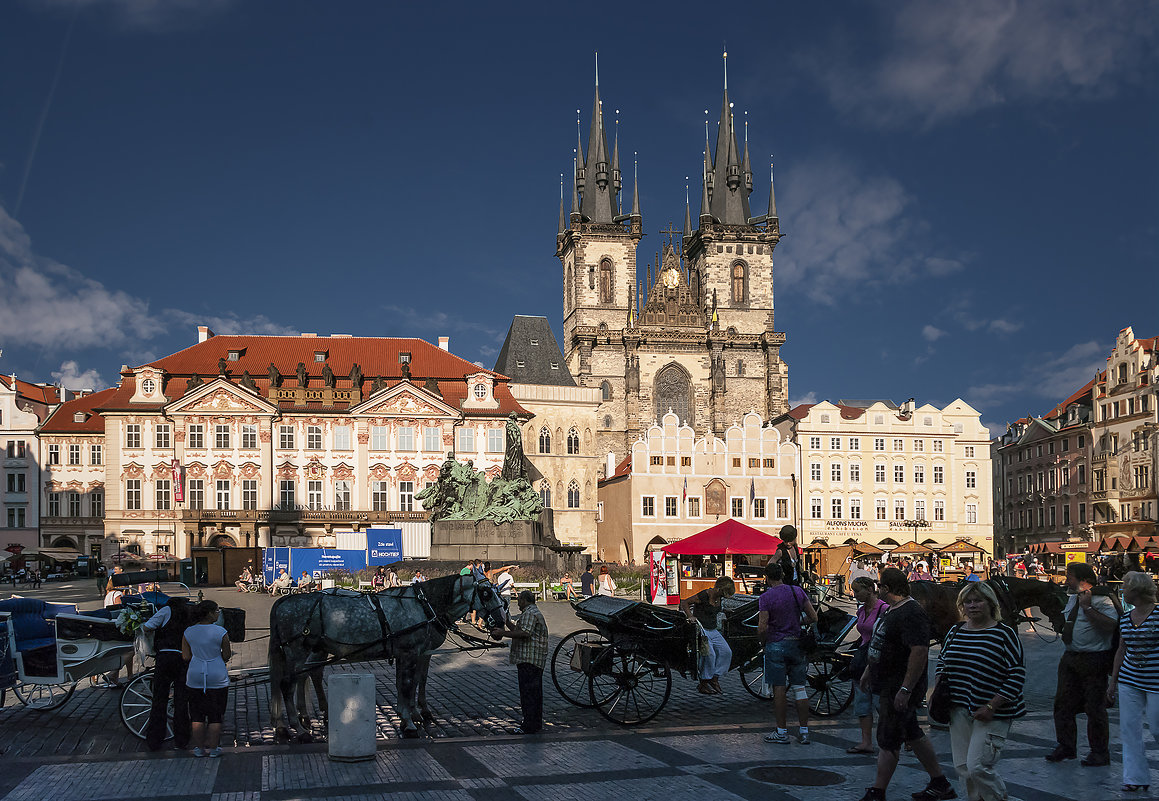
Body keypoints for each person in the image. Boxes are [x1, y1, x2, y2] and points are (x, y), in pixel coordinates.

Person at [858, 567, 955, 801]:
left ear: (888, 589)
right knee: (913, 734)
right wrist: (869, 670)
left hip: (898, 687)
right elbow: (881, 644)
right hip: (888, 682)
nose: (877, 589)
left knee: (888, 739)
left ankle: (878, 791)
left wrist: (905, 689)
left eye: (880, 586)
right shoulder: (892, 610)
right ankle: (940, 783)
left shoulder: (911, 613)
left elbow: (919, 652)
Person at [934, 581, 1026, 801]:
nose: (973, 606)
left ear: (990, 603)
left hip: (992, 711)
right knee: (963, 767)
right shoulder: (956, 631)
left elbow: (1017, 674)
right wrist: (938, 689)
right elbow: (942, 660)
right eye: (968, 602)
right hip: (959, 708)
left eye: (978, 601)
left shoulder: (1004, 634)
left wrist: (992, 705)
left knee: (978, 766)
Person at [1045, 561, 1119, 766]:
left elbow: (1111, 625)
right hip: (1071, 657)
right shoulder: (1072, 598)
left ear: (1083, 580)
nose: (1066, 579)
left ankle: (1099, 753)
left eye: (1070, 576)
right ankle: (1066, 746)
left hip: (1094, 659)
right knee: (1062, 704)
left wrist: (1087, 608)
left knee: (1094, 708)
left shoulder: (1101, 598)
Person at [1107, 571, 1159, 793]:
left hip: (1156, 681)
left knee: (1157, 727)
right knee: (1129, 728)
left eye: (1126, 588)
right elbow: (1121, 648)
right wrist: (1113, 681)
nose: (1122, 592)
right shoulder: (1126, 617)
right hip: (1129, 679)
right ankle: (1134, 777)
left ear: (1137, 590)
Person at [758, 562, 817, 744]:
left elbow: (762, 626)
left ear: (767, 578)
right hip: (797, 645)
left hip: (776, 644)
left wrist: (762, 641)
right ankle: (804, 731)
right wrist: (798, 623)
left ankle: (782, 731)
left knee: (779, 690)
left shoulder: (766, 597)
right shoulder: (797, 591)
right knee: (800, 688)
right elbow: (813, 617)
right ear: (782, 574)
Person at [490, 590, 548, 735]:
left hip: (530, 658)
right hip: (530, 658)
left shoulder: (529, 613)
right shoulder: (531, 612)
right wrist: (507, 623)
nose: (518, 602)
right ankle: (534, 723)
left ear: (525, 600)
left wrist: (502, 633)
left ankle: (529, 725)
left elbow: (524, 633)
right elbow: (519, 629)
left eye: (519, 599)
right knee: (533, 693)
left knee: (528, 693)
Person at [141, 597, 194, 751]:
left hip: (165, 657)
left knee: (159, 699)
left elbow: (147, 627)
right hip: (183, 657)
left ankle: (155, 739)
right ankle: (182, 739)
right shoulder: (188, 614)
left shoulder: (166, 610)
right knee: (181, 700)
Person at [182, 600, 231, 758]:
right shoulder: (221, 631)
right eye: (217, 610)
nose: (218, 613)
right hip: (216, 673)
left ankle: (198, 748)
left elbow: (186, 656)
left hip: (195, 673)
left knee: (197, 715)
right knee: (216, 715)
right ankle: (214, 748)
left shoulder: (188, 631)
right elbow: (226, 655)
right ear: (209, 613)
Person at [847, 576, 888, 755]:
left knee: (881, 703)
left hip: (879, 662)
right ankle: (866, 742)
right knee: (863, 702)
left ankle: (895, 738)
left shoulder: (884, 609)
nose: (854, 594)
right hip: (863, 658)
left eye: (857, 591)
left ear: (870, 590)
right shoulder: (861, 611)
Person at [680, 576, 736, 695]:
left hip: (712, 629)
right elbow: (685, 603)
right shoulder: (704, 596)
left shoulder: (719, 598)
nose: (724, 597)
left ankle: (714, 677)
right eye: (724, 594)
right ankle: (704, 681)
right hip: (701, 629)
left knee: (726, 652)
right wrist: (690, 615)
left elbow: (717, 610)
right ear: (719, 589)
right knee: (710, 654)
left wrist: (727, 612)